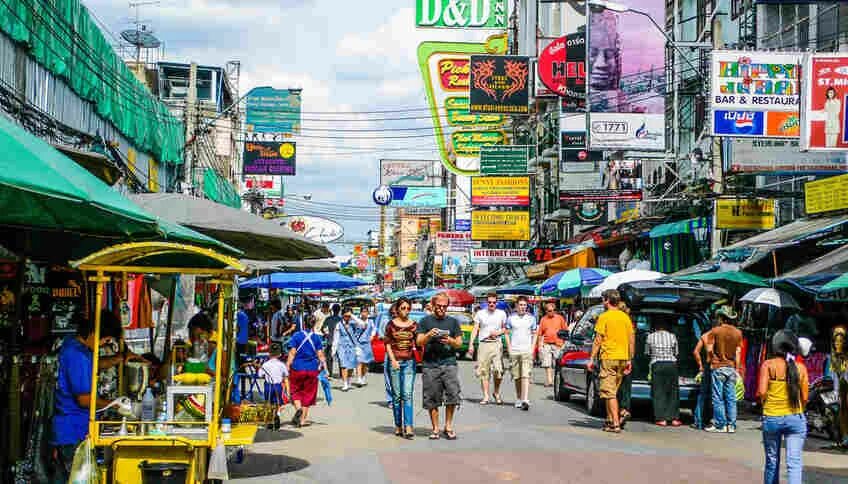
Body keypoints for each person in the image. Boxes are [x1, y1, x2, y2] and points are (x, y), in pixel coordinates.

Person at [51, 310, 132, 482]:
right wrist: (114, 404)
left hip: (72, 429)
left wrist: (119, 358)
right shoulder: (77, 355)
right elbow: (84, 400)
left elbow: (94, 365)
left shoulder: (75, 346)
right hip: (73, 431)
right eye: (105, 339)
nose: (104, 344)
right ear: (94, 333)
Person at [758, 330, 809, 484]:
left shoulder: (768, 365)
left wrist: (766, 403)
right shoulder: (800, 368)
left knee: (772, 461)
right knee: (794, 463)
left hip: (772, 417)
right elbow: (805, 397)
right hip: (796, 418)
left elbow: (761, 392)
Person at [417, 293, 463, 440]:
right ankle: (435, 428)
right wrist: (429, 335)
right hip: (430, 364)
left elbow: (459, 343)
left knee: (453, 395)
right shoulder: (425, 321)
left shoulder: (453, 322)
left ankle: (448, 426)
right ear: (433, 305)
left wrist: (449, 340)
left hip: (449, 363)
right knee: (432, 397)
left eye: (444, 306)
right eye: (439, 306)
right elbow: (419, 342)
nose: (442, 309)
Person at [587, 290, 634, 433]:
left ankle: (615, 423)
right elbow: (631, 340)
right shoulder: (625, 318)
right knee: (611, 391)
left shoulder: (604, 317)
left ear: (607, 300)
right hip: (623, 358)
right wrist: (630, 359)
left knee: (609, 392)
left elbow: (598, 340)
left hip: (609, 357)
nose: (602, 302)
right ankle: (609, 420)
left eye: (603, 299)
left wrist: (591, 358)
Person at [705, 305, 743, 433]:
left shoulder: (715, 331)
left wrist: (711, 359)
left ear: (721, 318)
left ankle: (720, 424)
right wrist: (736, 369)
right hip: (731, 368)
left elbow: (709, 349)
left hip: (718, 367)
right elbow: (738, 353)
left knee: (718, 397)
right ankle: (731, 425)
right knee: (731, 398)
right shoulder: (738, 333)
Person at [384, 297, 418, 439]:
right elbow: (387, 343)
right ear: (397, 309)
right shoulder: (391, 325)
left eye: (408, 308)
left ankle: (408, 426)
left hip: (409, 362)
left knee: (407, 394)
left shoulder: (414, 325)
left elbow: (419, 341)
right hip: (395, 362)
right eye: (403, 308)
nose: (406, 311)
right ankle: (398, 425)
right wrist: (393, 360)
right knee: (397, 396)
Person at [286, 315, 327, 428]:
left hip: (297, 368)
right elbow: (320, 355)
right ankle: (303, 420)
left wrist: (287, 365)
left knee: (295, 391)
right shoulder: (317, 338)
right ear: (314, 324)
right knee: (308, 395)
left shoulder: (296, 336)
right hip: (312, 370)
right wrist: (325, 369)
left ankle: (298, 409)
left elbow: (292, 353)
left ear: (304, 323)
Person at [467, 293, 507, 405]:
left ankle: (496, 392)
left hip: (496, 344)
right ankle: (486, 395)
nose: (492, 304)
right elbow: (475, 329)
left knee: (498, 370)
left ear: (496, 303)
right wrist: (471, 344)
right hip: (483, 344)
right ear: (486, 303)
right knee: (484, 371)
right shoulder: (480, 314)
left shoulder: (501, 314)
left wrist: (498, 333)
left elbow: (505, 329)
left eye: (494, 302)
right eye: (489, 302)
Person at [645, 319, 681, 427]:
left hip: (657, 364)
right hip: (671, 364)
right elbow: (676, 352)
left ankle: (661, 419)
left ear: (655, 327)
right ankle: (674, 419)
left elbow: (647, 352)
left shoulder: (650, 337)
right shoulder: (672, 336)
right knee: (673, 391)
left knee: (659, 391)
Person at [506, 296, 537, 411]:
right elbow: (507, 333)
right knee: (517, 376)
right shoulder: (511, 318)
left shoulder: (531, 318)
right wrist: (509, 348)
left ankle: (525, 399)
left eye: (524, 305)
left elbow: (535, 334)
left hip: (526, 350)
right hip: (514, 350)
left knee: (525, 374)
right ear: (516, 306)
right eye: (521, 305)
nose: (523, 307)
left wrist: (533, 348)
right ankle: (519, 398)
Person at [536, 301, 569, 387]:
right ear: (546, 311)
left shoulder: (560, 318)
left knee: (558, 363)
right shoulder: (543, 319)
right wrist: (540, 345)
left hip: (558, 344)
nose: (552, 312)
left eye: (554, 310)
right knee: (547, 363)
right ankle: (549, 380)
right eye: (550, 310)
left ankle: (557, 380)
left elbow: (565, 330)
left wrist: (564, 343)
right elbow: (540, 333)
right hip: (547, 343)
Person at [692, 319, 717, 430]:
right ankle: (713, 421)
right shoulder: (720, 336)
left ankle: (698, 421)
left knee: (702, 395)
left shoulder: (705, 335)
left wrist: (700, 365)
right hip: (718, 366)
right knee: (717, 395)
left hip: (707, 366)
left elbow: (696, 351)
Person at [261, 343, 290, 430]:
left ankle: (270, 420)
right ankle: (277, 415)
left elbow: (260, 374)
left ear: (269, 353)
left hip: (268, 385)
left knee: (269, 403)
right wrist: (287, 391)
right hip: (278, 386)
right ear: (280, 354)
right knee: (279, 403)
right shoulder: (282, 365)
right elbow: (285, 378)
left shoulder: (265, 364)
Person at [829, 325, 848, 448]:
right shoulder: (834, 356)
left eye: (841, 340)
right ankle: (846, 437)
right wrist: (836, 392)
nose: (838, 343)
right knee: (843, 410)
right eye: (836, 340)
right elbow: (836, 374)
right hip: (842, 386)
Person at [333, 309, 359, 391]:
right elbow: (336, 337)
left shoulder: (353, 323)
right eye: (345, 316)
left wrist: (352, 316)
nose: (347, 318)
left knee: (351, 366)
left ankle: (348, 381)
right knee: (344, 365)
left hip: (352, 346)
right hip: (342, 347)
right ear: (342, 315)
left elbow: (362, 324)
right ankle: (344, 384)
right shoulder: (339, 324)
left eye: (349, 316)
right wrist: (334, 350)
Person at [353, 307, 375, 386]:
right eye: (363, 312)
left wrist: (372, 336)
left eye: (365, 312)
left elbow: (374, 330)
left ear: (368, 313)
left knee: (365, 363)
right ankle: (359, 378)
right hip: (358, 343)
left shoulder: (371, 321)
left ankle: (363, 376)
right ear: (360, 312)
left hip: (367, 344)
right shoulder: (357, 321)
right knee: (359, 361)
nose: (364, 313)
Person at [322, 304, 342, 378]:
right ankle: (342, 373)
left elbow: (323, 328)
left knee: (329, 358)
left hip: (330, 340)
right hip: (339, 341)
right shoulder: (341, 319)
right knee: (340, 358)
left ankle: (330, 373)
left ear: (332, 310)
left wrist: (326, 334)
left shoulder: (328, 319)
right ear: (339, 310)